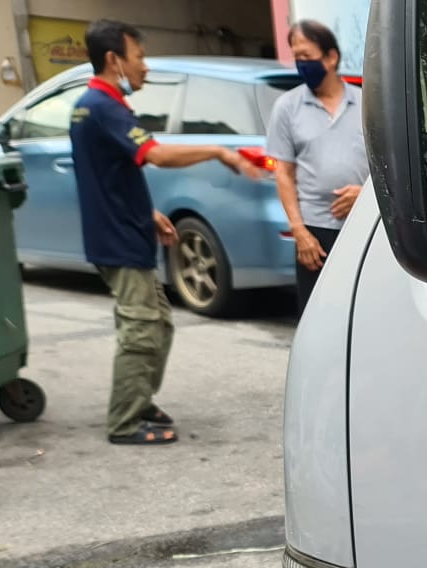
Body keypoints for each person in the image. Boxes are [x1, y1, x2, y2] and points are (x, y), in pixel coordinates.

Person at [72, 19, 263, 446]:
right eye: (139, 57)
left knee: (158, 325)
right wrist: (218, 151)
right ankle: (125, 420)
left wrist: (149, 212)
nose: (145, 66)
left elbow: (107, 177)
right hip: (118, 240)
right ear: (114, 60)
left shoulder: (94, 105)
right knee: (141, 330)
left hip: (126, 230)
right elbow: (155, 155)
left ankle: (139, 401)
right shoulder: (103, 106)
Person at [267, 20, 368, 313]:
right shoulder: (287, 107)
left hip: (363, 227)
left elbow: (387, 167)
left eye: (307, 56)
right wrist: (299, 232)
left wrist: (365, 197)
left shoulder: (366, 104)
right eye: (296, 57)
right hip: (315, 234)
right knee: (318, 313)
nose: (301, 64)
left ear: (331, 57)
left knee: (361, 311)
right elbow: (284, 173)